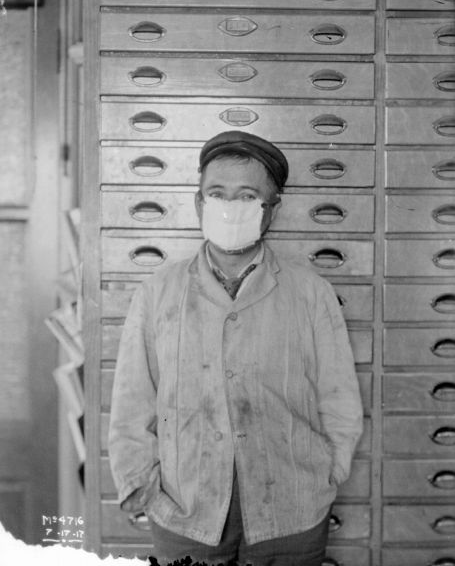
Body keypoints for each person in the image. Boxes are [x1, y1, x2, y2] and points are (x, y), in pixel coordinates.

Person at [108, 131, 364, 566]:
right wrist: (143, 487)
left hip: (292, 514)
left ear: (271, 210)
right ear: (198, 203)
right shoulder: (158, 292)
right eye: (217, 193)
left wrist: (329, 474)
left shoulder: (311, 292)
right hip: (185, 513)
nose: (230, 207)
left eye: (247, 196)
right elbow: (133, 400)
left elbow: (339, 397)